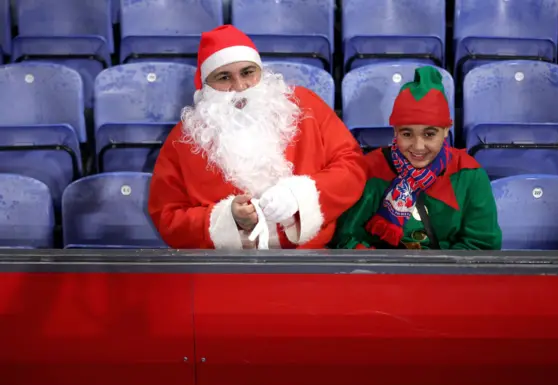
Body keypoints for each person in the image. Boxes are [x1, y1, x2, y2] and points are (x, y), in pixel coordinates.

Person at [147, 25, 367, 249]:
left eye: (247, 73)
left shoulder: (305, 106)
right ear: (206, 87)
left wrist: (299, 196)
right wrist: (228, 218)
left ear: (261, 72)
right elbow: (167, 216)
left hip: (310, 259)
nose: (240, 87)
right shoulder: (184, 139)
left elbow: (352, 166)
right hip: (226, 269)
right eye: (224, 77)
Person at [331, 66, 502, 250]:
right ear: (395, 132)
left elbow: (483, 246)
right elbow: (345, 239)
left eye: (429, 135)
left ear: (446, 131)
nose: (418, 146)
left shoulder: (470, 175)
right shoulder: (369, 170)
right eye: (407, 134)